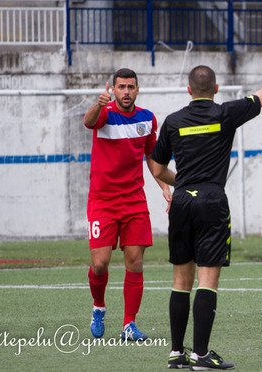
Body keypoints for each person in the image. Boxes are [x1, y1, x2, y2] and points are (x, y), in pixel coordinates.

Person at [150, 35, 262, 370]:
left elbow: (155, 168)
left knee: (181, 280)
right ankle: (201, 354)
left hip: (181, 201)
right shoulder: (225, 113)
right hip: (212, 200)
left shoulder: (173, 121)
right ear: (216, 87)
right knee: (207, 280)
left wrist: (180, 184)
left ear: (188, 90)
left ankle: (176, 353)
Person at [83, 68, 172, 342]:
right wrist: (97, 105)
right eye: (121, 87)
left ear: (137, 90)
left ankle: (129, 325)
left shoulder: (147, 119)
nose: (125, 92)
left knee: (135, 262)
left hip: (134, 200)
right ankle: (99, 307)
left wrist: (164, 185)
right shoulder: (105, 113)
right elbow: (89, 122)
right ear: (115, 89)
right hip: (102, 200)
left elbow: (152, 157)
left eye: (130, 87)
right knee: (100, 264)